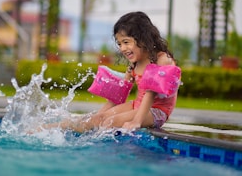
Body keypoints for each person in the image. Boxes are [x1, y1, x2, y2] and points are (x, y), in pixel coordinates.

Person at [39, 11, 180, 133]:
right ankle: (47, 128)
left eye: (126, 42)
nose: (123, 48)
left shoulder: (161, 60)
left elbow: (150, 93)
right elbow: (117, 98)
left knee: (108, 122)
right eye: (119, 44)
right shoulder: (134, 64)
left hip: (156, 111)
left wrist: (136, 121)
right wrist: (95, 118)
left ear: (143, 38)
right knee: (97, 120)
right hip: (136, 106)